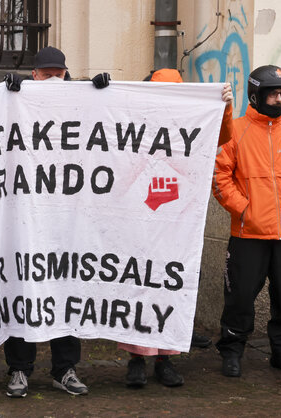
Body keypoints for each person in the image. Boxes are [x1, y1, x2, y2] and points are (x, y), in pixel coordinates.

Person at [0, 46, 110, 398]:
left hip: (67, 221)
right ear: (33, 75)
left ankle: (64, 369)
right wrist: (5, 91)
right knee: (24, 290)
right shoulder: (15, 99)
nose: (52, 79)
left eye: (58, 74)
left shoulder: (79, 101)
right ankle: (19, 369)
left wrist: (102, 92)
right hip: (25, 219)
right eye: (45, 74)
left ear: (66, 74)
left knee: (67, 290)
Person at [121, 68, 234, 388]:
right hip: (139, 218)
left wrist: (223, 108)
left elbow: (222, 136)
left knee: (170, 284)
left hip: (177, 220)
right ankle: (135, 358)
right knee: (139, 285)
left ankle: (165, 359)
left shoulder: (193, 122)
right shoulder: (133, 119)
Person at [212, 65, 281, 378]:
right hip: (248, 234)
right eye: (272, 93)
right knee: (239, 298)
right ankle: (232, 352)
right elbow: (219, 177)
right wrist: (243, 209)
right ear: (255, 95)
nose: (278, 98)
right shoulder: (235, 130)